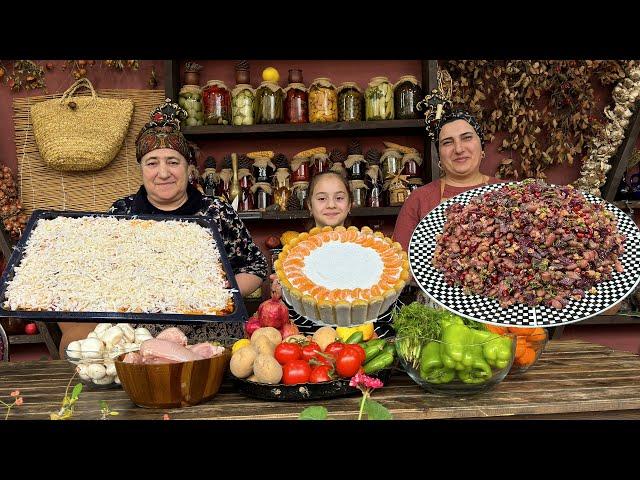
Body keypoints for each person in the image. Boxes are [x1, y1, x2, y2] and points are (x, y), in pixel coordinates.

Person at [58, 99, 268, 356]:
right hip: (140, 338)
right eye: (152, 162)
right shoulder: (121, 213)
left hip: (212, 334)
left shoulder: (217, 211)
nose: (163, 172)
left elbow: (255, 266)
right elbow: (99, 275)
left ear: (189, 167)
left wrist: (215, 295)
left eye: (172, 161)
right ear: (141, 169)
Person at [273, 170, 395, 338]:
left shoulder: (371, 252)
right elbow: (285, 320)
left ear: (350, 204)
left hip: (364, 343)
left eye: (339, 198)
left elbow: (385, 314)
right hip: (309, 346)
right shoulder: (292, 259)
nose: (331, 205)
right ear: (309, 205)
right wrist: (278, 292)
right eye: (322, 198)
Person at [392, 107, 503, 251]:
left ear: (481, 147)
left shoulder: (506, 192)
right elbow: (401, 262)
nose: (458, 149)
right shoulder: (419, 199)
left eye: (467, 138)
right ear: (439, 156)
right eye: (447, 142)